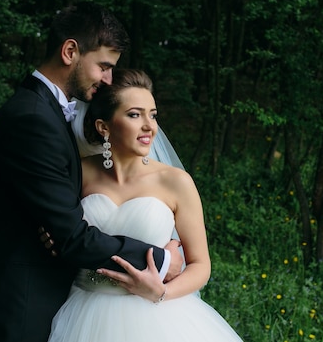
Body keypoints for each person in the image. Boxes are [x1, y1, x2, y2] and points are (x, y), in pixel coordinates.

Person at [0, 2, 183, 342]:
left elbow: (61, 218)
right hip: (15, 311)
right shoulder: (33, 120)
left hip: (44, 302)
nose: (108, 80)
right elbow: (72, 237)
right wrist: (160, 256)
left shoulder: (44, 111)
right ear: (70, 51)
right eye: (104, 66)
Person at [47, 68, 244, 342]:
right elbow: (63, 232)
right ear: (103, 126)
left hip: (156, 317)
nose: (149, 126)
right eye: (134, 114)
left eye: (152, 115)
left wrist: (161, 293)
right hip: (82, 311)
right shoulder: (79, 175)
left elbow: (201, 265)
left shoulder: (176, 182)